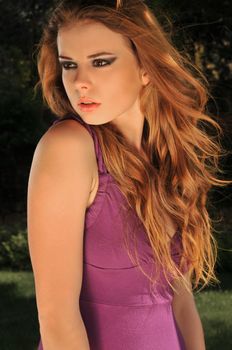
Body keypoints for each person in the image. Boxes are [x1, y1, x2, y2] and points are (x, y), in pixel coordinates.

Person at [27, 1, 229, 349]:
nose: (80, 82)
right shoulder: (69, 148)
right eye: (69, 65)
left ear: (145, 67)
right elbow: (57, 319)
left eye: (101, 62)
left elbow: (180, 301)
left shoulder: (165, 157)